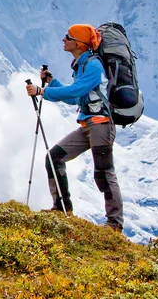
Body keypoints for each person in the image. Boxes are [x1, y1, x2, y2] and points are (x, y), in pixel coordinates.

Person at [26, 23, 124, 232]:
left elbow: (77, 90)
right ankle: (62, 208)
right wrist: (51, 83)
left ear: (79, 43)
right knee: (53, 158)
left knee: (104, 172)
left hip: (100, 126)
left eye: (67, 37)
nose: (64, 40)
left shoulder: (93, 65)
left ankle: (114, 224)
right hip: (89, 125)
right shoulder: (81, 64)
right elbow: (77, 97)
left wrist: (42, 92)